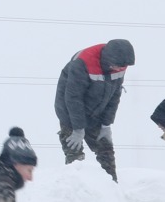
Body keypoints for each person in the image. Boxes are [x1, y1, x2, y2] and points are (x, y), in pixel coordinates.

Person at [53, 39, 134, 180]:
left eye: (123, 67)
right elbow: (73, 98)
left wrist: (106, 125)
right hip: (71, 114)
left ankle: (112, 187)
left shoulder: (120, 66)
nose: (120, 70)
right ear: (109, 59)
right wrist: (78, 129)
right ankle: (76, 187)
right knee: (75, 153)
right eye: (118, 66)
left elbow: (114, 97)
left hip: (96, 113)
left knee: (105, 149)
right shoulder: (82, 63)